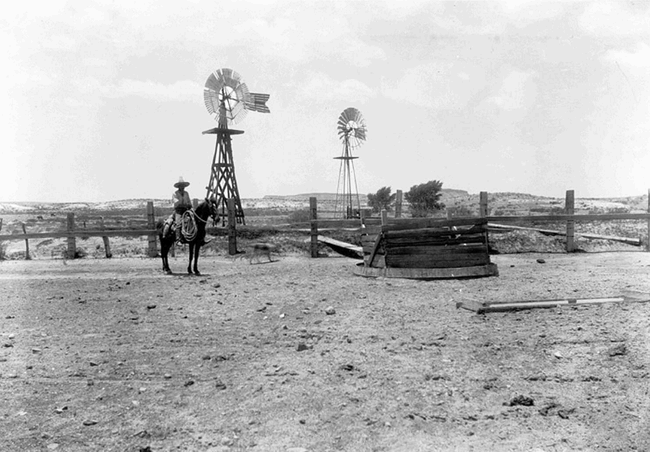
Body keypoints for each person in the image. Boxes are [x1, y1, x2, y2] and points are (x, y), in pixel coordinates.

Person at [166, 177, 193, 243]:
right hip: (178, 211)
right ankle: (178, 239)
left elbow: (189, 202)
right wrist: (184, 204)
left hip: (186, 210)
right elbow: (177, 203)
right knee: (178, 222)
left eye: (183, 186)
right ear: (179, 186)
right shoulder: (175, 194)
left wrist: (189, 206)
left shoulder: (186, 193)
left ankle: (192, 236)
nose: (183, 187)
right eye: (181, 186)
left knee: (193, 220)